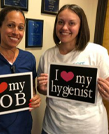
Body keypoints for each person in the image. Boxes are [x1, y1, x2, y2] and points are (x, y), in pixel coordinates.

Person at [37, 4, 109, 134]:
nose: (64, 27)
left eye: (71, 23)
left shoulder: (98, 53)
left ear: (81, 26)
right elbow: (42, 89)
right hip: (52, 128)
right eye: (60, 22)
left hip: (90, 129)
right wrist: (41, 89)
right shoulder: (47, 55)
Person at [0, 6, 41, 134]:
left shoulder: (29, 59)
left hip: (22, 128)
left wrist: (35, 99)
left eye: (21, 27)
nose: (16, 32)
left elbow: (31, 91)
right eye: (11, 25)